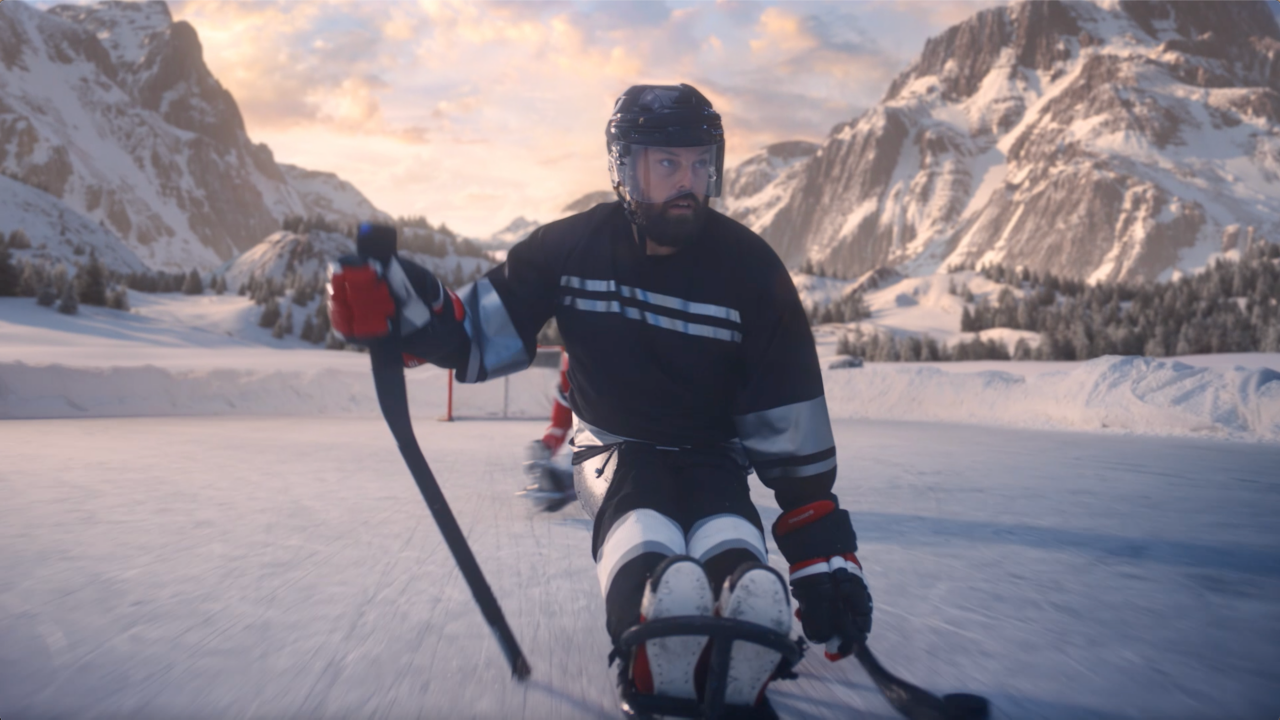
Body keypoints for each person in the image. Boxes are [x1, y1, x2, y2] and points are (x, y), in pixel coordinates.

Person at [328, 83, 872, 717]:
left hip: (714, 456)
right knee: (643, 508)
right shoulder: (567, 250)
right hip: (609, 449)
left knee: (725, 525)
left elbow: (788, 417)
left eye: (700, 163)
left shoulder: (752, 271)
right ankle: (654, 637)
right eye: (667, 163)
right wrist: (408, 311)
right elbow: (476, 337)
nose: (688, 181)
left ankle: (741, 625)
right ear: (624, 168)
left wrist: (822, 556)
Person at [518, 351, 576, 513]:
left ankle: (571, 474)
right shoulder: (572, 357)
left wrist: (567, 470)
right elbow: (566, 407)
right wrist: (548, 445)